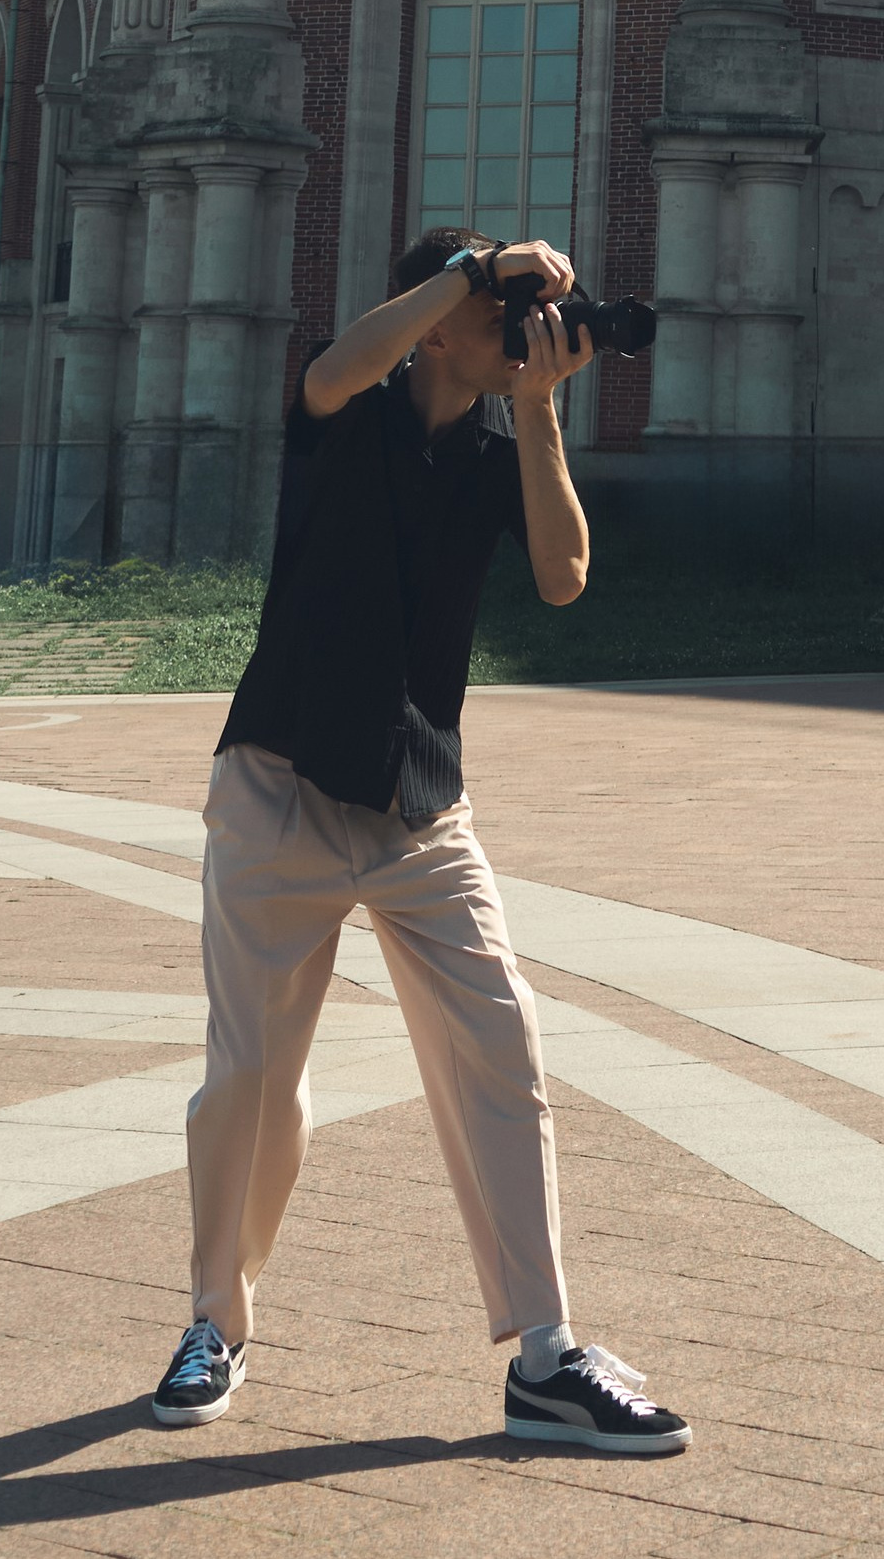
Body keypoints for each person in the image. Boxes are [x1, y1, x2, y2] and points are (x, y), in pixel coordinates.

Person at [150, 227, 691, 1455]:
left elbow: (562, 577)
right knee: (251, 1077)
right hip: (280, 781)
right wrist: (475, 271)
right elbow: (339, 366)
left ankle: (547, 1357)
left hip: (418, 808)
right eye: (504, 317)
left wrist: (545, 410)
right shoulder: (347, 409)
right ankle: (212, 1322)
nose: (520, 335)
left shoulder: (497, 449)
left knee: (502, 1041)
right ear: (443, 315)